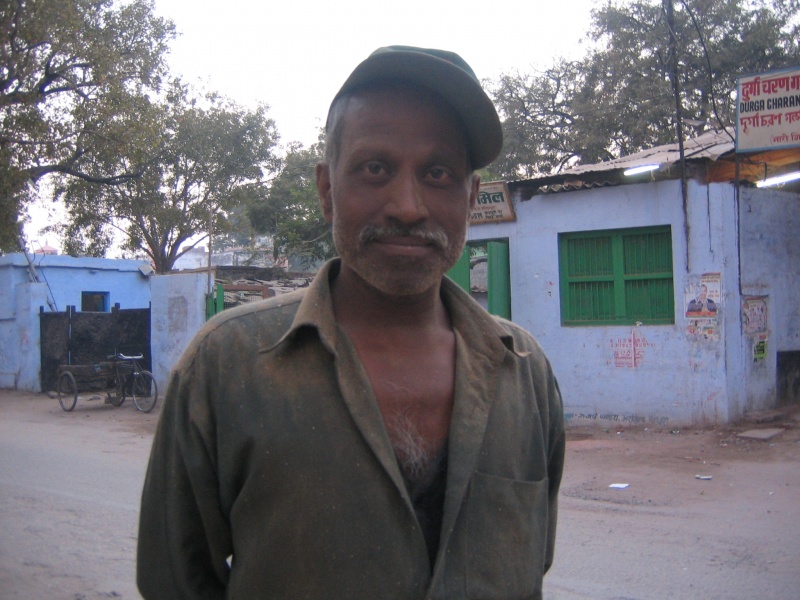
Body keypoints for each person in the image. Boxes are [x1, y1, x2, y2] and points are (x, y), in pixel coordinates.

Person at [137, 45, 565, 599]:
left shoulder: (525, 373)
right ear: (326, 190)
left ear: (470, 197)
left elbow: (529, 561)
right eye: (375, 168)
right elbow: (174, 579)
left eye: (438, 173)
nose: (408, 206)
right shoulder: (224, 368)